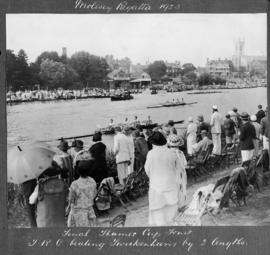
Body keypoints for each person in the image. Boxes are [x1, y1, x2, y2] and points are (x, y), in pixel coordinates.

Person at [144, 131, 180, 226]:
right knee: (171, 211)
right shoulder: (172, 153)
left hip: (156, 187)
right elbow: (177, 169)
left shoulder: (151, 154)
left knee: (158, 213)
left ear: (153, 143)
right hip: (171, 185)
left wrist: (154, 178)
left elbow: (147, 170)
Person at [67, 161, 97, 227]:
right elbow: (94, 194)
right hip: (90, 211)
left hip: (78, 213)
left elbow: (71, 200)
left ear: (78, 171)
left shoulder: (75, 184)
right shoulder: (92, 181)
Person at [167, 134, 188, 208]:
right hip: (181, 173)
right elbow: (185, 164)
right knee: (182, 188)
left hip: (172, 174)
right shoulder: (180, 153)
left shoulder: (168, 154)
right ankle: (181, 204)